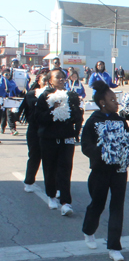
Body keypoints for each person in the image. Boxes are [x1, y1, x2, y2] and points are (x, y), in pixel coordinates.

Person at [81, 80, 129, 261]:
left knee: (117, 207)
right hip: (100, 171)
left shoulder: (121, 121)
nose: (116, 102)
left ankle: (114, 246)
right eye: (113, 99)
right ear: (102, 103)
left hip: (119, 170)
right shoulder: (93, 121)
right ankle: (88, 230)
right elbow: (85, 146)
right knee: (97, 204)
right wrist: (102, 152)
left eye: (116, 99)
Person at [35, 69, 83, 215]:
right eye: (58, 77)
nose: (62, 79)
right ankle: (51, 196)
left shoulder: (71, 95)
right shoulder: (44, 96)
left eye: (63, 77)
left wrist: (75, 118)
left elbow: (78, 117)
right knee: (50, 168)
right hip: (49, 138)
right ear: (50, 80)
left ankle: (66, 202)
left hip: (66, 138)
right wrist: (53, 110)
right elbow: (38, 118)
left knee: (65, 169)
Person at [18, 70, 49, 192]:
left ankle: (53, 186)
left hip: (48, 130)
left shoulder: (56, 95)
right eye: (44, 80)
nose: (46, 83)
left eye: (48, 81)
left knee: (49, 159)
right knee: (34, 156)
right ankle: (29, 181)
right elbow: (28, 107)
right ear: (39, 81)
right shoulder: (31, 94)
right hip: (34, 129)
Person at [65, 71, 86, 142]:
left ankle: (77, 134)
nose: (74, 78)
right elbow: (67, 91)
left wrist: (81, 96)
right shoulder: (67, 83)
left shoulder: (80, 83)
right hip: (70, 104)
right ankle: (70, 135)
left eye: (75, 76)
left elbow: (83, 93)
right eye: (73, 76)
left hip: (79, 104)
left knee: (79, 121)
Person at [0, 68, 21, 135]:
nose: (8, 76)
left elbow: (16, 90)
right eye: (6, 74)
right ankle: (2, 128)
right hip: (3, 101)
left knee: (10, 115)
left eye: (9, 74)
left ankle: (13, 129)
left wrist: (22, 92)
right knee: (3, 116)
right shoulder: (2, 81)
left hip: (11, 100)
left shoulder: (12, 82)